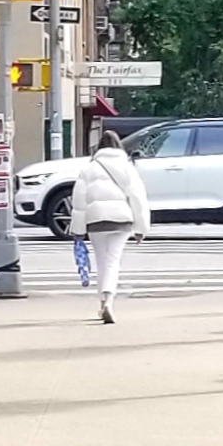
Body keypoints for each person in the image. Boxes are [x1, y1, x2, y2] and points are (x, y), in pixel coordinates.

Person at [68, 129, 152, 323]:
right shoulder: (126, 167)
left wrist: (78, 231)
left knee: (102, 263)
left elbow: (79, 202)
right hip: (121, 220)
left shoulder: (89, 168)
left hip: (96, 221)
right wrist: (141, 229)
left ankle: (103, 302)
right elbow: (138, 198)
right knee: (113, 261)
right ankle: (108, 301)